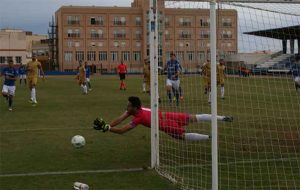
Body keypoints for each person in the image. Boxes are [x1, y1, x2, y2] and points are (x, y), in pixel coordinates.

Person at [93, 96, 233, 141]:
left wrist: (109, 129)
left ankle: (209, 137)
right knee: (195, 117)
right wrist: (108, 125)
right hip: (168, 114)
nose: (126, 107)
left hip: (165, 124)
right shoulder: (136, 110)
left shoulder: (138, 118)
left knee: (182, 137)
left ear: (134, 108)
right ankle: (223, 118)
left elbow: (123, 130)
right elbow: (120, 118)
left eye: (128, 106)